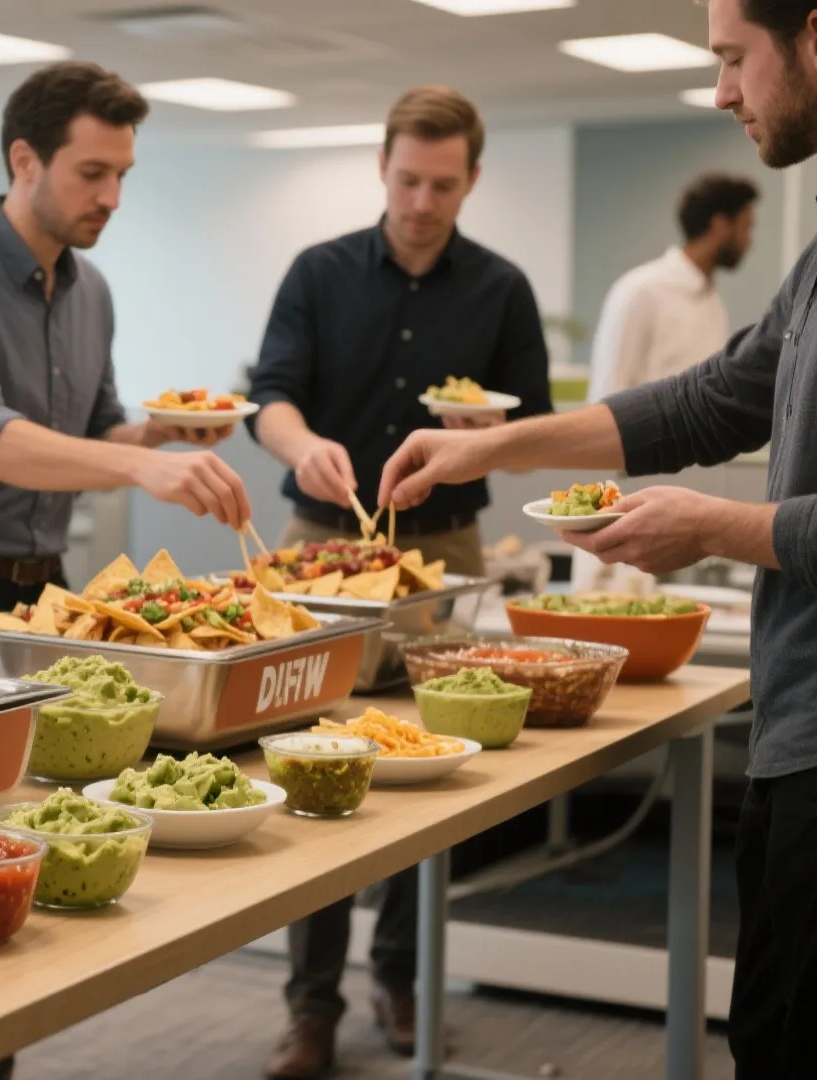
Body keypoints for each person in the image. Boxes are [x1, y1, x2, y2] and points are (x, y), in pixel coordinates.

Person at [382, 4, 817, 1075]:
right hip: (798, 727)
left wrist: (721, 525)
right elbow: (712, 402)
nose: (721, 92)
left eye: (731, 58)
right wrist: (491, 450)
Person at [246, 86, 553, 1080]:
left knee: (436, 767)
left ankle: (402, 976)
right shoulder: (320, 271)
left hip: (445, 551)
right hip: (319, 545)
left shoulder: (501, 288)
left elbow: (533, 422)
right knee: (314, 764)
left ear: (472, 178)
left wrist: (487, 439)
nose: (423, 201)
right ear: (382, 166)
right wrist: (303, 448)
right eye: (409, 179)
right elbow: (270, 401)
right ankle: (310, 1007)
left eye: (445, 184)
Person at [0, 61, 247, 671]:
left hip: (44, 589)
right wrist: (140, 463)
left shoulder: (90, 289)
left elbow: (94, 433)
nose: (112, 198)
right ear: (24, 161)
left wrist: (155, 434)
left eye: (121, 175)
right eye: (92, 174)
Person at [587, 173, 759, 402]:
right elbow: (607, 395)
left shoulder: (711, 299)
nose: (749, 242)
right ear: (719, 226)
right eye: (745, 228)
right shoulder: (641, 291)